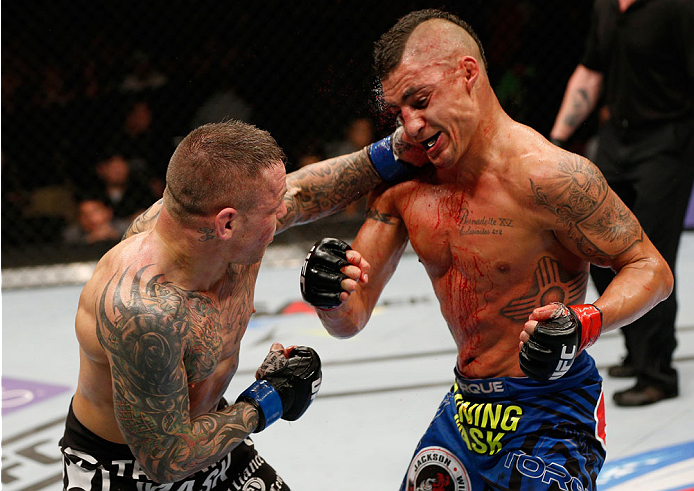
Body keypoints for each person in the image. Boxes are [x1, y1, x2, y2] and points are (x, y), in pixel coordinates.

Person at [298, 9, 673, 490]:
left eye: (420, 101)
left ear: (468, 74)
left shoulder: (551, 176)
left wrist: (587, 322)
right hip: (465, 409)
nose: (410, 126)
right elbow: (349, 319)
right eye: (399, 111)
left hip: (553, 407)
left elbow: (652, 269)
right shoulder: (406, 185)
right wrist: (328, 294)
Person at [59, 119, 425, 490]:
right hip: (128, 471)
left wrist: (394, 151)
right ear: (227, 223)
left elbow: (303, 191)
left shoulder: (216, 231)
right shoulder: (144, 311)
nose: (285, 211)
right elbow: (167, 459)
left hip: (211, 440)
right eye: (273, 208)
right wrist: (269, 400)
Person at [549, 0, 694, 406]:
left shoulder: (677, 7)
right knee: (594, 248)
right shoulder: (606, 7)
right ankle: (638, 347)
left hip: (667, 142)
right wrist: (558, 141)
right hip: (617, 140)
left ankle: (657, 373)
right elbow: (592, 70)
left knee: (650, 256)